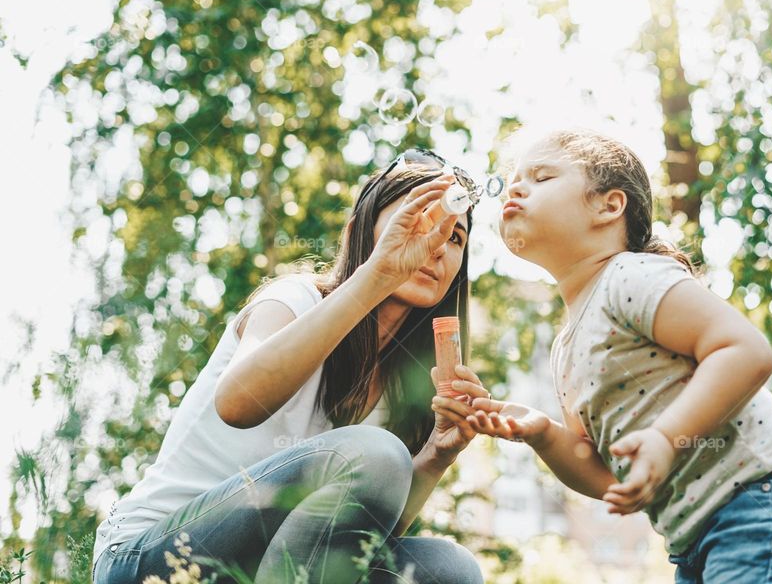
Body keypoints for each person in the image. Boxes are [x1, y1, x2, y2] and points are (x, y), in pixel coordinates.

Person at [453, 128, 772, 582]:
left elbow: (746, 351)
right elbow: (609, 475)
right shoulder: (566, 349)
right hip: (694, 538)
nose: (516, 187)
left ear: (609, 206)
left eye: (541, 177)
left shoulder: (629, 276)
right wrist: (543, 435)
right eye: (515, 178)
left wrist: (664, 438)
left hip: (765, 494)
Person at [92, 149, 487, 584]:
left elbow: (357, 539)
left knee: (450, 571)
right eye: (419, 221)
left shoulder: (408, 381)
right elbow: (238, 403)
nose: (435, 245)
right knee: (377, 453)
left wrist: (436, 455)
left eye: (455, 238)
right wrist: (379, 275)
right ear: (360, 232)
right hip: (151, 557)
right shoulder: (295, 300)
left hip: (262, 568)